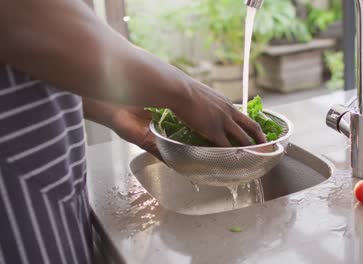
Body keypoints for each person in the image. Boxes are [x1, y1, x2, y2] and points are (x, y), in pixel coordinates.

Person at [0, 1, 266, 263]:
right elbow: (25, 18)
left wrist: (113, 108)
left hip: (41, 194)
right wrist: (186, 92)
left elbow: (33, 57)